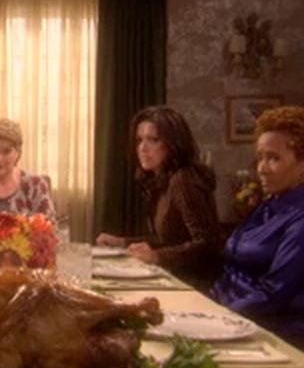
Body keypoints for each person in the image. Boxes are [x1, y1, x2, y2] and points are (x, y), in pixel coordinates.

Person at [96, 106, 221, 292]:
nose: (143, 148)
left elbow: (208, 243)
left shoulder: (183, 179)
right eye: (139, 140)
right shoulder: (163, 179)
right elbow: (168, 239)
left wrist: (157, 257)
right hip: (176, 277)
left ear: (173, 143)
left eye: (153, 140)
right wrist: (122, 242)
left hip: (196, 285)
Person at [210, 106, 304, 349]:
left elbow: (273, 294)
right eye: (260, 157)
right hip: (236, 322)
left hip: (279, 337)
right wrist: (206, 305)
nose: (261, 168)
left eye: (274, 158)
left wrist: (219, 317)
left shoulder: (300, 217)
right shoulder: (268, 205)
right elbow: (229, 271)